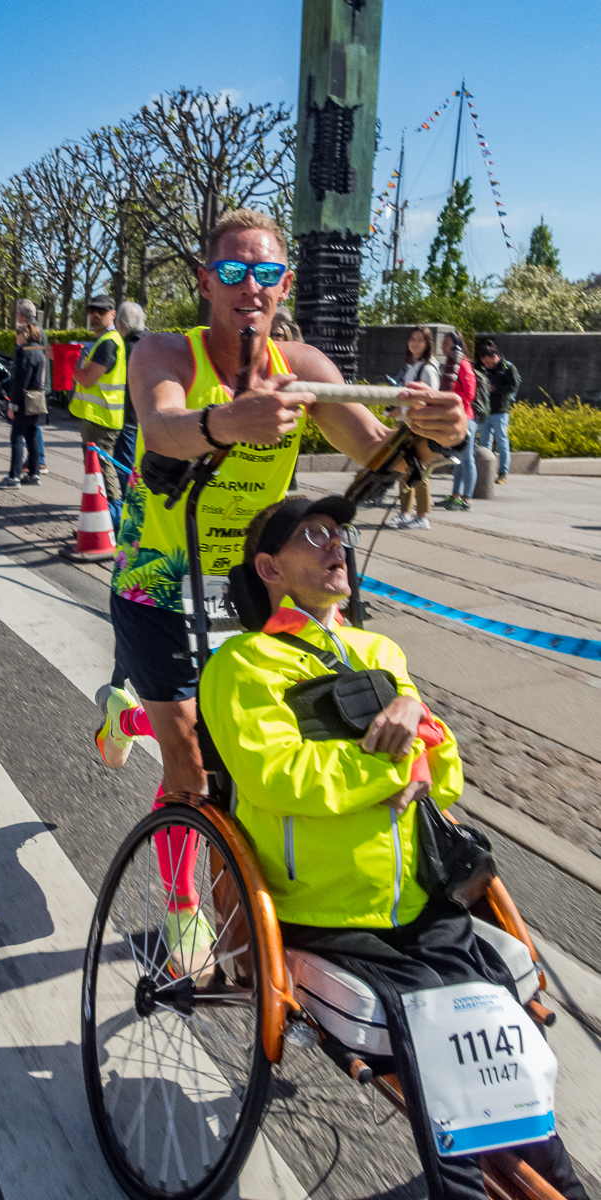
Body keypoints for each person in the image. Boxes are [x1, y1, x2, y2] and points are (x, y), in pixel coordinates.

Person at [92, 207, 467, 957]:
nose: (248, 287)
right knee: (194, 756)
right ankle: (182, 907)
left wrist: (433, 434)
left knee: (250, 739)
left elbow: (378, 460)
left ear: (284, 283)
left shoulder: (307, 370)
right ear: (205, 282)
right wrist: (229, 422)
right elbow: (162, 427)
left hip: (259, 583)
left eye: (265, 273)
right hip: (159, 580)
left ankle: (128, 715)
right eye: (231, 271)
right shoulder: (165, 351)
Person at [199, 495, 589, 1200]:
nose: (335, 546)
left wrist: (418, 727)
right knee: (451, 1059)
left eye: (339, 534)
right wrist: (387, 766)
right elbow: (277, 775)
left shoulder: (380, 652)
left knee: (503, 1049)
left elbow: (444, 774)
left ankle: (559, 1181)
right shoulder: (243, 665)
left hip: (417, 900)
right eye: (313, 535)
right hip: (326, 910)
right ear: (269, 567)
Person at [69, 294, 126, 518]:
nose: (94, 315)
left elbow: (86, 379)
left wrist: (67, 364)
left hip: (101, 420)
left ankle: (113, 520)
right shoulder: (104, 341)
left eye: (100, 311)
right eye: (91, 310)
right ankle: (104, 519)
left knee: (101, 471)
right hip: (99, 418)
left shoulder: (108, 343)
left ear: (113, 314)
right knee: (98, 472)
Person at [387, 326, 440, 530]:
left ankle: (421, 515)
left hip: (418, 425)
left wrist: (403, 411)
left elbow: (430, 399)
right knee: (404, 468)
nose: (415, 342)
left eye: (420, 339)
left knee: (418, 469)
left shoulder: (427, 368)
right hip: (407, 423)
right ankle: (405, 512)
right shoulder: (412, 366)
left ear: (428, 344)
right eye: (412, 338)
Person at [0, 322, 45, 489]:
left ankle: (14, 477)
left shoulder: (25, 353)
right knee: (32, 437)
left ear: (25, 335)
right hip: (36, 399)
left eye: (18, 334)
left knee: (17, 438)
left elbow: (21, 382)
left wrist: (13, 404)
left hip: (24, 401)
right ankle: (34, 474)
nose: (16, 338)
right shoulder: (39, 351)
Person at [441, 332, 480, 512]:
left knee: (467, 459)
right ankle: (455, 496)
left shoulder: (464, 366)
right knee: (458, 459)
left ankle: (466, 499)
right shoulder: (450, 365)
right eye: (443, 343)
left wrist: (450, 396)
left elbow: (470, 395)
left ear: (456, 345)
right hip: (455, 416)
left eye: (447, 343)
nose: (443, 346)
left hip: (466, 417)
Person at [477, 339, 520, 485]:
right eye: (485, 363)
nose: (487, 365)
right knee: (483, 443)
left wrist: (494, 388)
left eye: (489, 363)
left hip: (500, 410)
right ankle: (484, 472)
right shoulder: (483, 369)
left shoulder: (508, 368)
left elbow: (513, 386)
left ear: (496, 356)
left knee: (501, 442)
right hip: (485, 410)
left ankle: (502, 473)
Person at [113, 301, 147, 476]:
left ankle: (127, 502)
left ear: (122, 325)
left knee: (125, 467)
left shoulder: (124, 349)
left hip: (128, 418)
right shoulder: (152, 344)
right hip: (149, 419)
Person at [16, 299, 48, 475]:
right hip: (37, 385)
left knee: (32, 426)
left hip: (33, 386)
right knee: (32, 425)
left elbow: (31, 361)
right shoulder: (36, 329)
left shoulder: (30, 331)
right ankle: (36, 460)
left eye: (17, 313)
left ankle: (39, 460)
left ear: (22, 314)